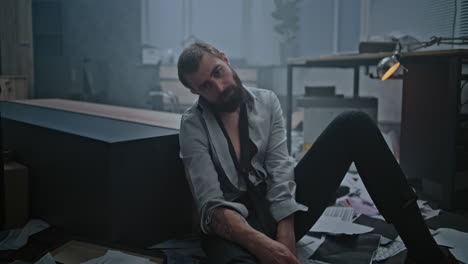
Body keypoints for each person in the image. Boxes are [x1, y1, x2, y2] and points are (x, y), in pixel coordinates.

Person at [177, 42, 458, 264]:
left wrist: (286, 233)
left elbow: (280, 171)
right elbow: (211, 204)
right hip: (233, 226)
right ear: (194, 91)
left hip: (276, 210)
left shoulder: (266, 101)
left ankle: (424, 250)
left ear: (225, 60)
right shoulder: (192, 124)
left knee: (353, 123)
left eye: (218, 72)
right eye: (206, 86)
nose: (220, 87)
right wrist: (261, 245)